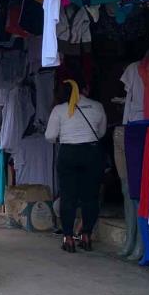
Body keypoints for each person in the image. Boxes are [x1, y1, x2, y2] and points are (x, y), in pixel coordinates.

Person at [45, 79, 107, 253]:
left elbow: (50, 136)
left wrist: (66, 136)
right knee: (90, 197)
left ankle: (68, 238)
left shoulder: (59, 110)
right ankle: (86, 235)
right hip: (92, 153)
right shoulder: (97, 106)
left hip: (68, 154)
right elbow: (100, 133)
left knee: (68, 197)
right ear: (85, 88)